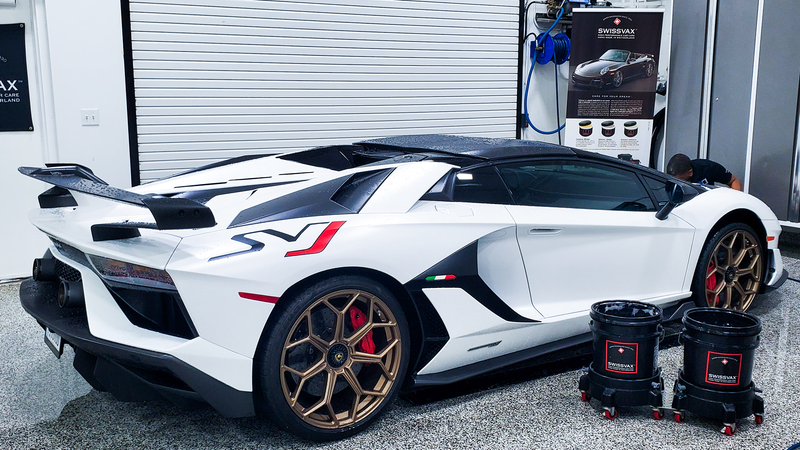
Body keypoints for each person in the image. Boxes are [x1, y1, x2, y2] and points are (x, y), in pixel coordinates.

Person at [666, 153, 742, 191]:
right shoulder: (668, 181)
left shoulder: (707, 168)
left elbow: (733, 181)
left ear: (690, 172)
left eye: (678, 179)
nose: (675, 181)